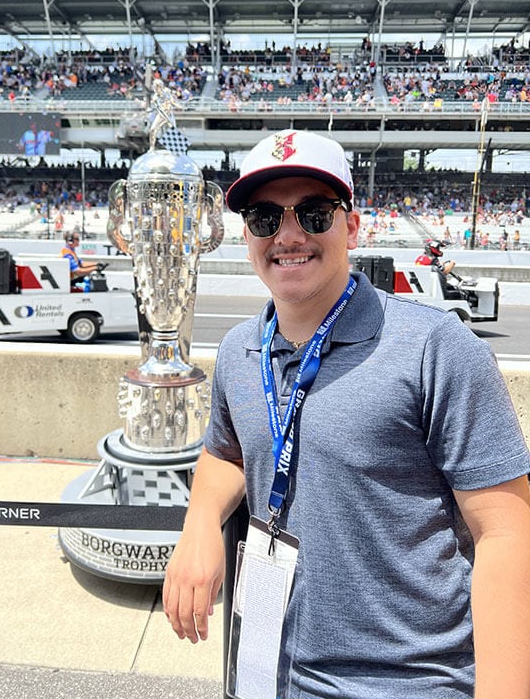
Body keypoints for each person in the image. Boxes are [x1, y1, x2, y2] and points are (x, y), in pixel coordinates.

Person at [163, 129, 530, 698]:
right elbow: (228, 450)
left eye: (313, 213)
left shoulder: (437, 348)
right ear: (247, 235)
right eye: (264, 218)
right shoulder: (239, 350)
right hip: (272, 668)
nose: (287, 235)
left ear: (352, 227)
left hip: (409, 682)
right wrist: (200, 522)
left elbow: (506, 532)